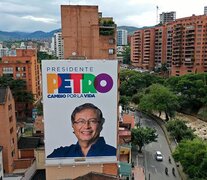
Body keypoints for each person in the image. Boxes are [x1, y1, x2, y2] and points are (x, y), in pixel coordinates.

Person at [47, 103, 116, 158]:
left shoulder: (114, 154)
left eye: (92, 121)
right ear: (73, 126)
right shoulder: (60, 154)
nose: (86, 126)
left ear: (101, 124)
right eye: (81, 121)